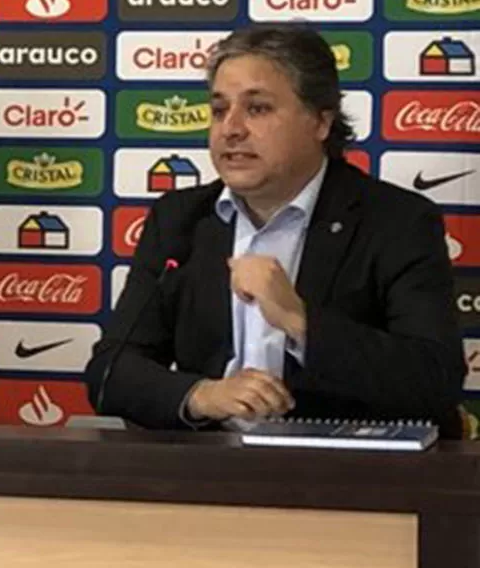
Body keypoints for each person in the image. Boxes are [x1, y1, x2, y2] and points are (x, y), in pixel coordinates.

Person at [86, 24, 465, 437]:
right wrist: (202, 396)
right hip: (208, 474)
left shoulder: (397, 222)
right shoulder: (181, 220)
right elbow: (111, 372)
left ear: (321, 122)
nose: (231, 129)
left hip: (349, 477)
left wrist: (300, 321)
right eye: (218, 110)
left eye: (258, 109)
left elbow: (435, 382)